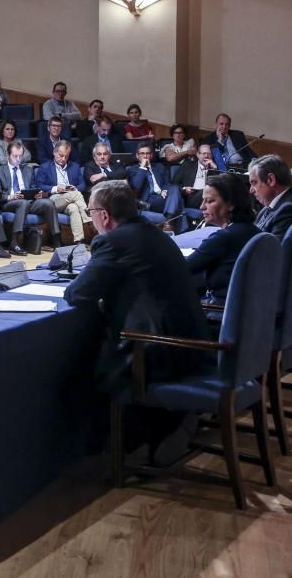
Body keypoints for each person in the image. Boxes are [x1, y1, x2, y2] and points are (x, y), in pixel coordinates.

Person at [63, 180, 208, 464]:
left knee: (81, 368)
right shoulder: (155, 234)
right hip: (191, 343)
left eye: (90, 211)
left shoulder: (112, 240)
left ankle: (113, 448)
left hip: (157, 350)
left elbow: (78, 293)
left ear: (103, 215)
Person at [186, 173, 260, 304]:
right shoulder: (255, 231)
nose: (201, 206)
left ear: (231, 204)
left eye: (209, 201)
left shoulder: (223, 238)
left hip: (219, 314)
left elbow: (181, 268)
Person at [0, 140, 60, 254]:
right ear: (8, 155)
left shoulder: (28, 170)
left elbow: (33, 187)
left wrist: (37, 194)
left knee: (48, 203)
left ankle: (57, 240)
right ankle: (14, 242)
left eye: (20, 156)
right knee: (23, 203)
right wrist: (11, 196)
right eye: (15, 156)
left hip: (29, 201)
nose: (18, 159)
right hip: (9, 203)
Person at [37, 140, 91, 244]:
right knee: (76, 195)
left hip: (71, 198)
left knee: (74, 208)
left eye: (66, 156)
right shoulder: (45, 167)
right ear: (54, 152)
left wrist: (74, 187)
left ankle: (79, 241)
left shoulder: (74, 167)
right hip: (53, 200)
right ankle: (89, 220)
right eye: (60, 155)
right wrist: (56, 188)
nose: (63, 159)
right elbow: (39, 185)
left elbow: (83, 185)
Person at [249, 154, 292, 239]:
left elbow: (272, 250)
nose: (251, 190)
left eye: (254, 183)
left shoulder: (290, 210)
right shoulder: (267, 209)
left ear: (270, 180)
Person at [127, 141, 184, 231]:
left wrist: (165, 190)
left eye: (148, 153)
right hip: (149, 200)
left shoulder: (159, 167)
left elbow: (167, 183)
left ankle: (168, 223)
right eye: (142, 153)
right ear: (138, 156)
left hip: (163, 197)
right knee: (179, 203)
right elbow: (136, 186)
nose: (145, 156)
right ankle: (171, 222)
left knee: (174, 188)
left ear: (151, 155)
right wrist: (142, 168)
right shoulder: (132, 170)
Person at [173, 144, 218, 210]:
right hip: (191, 197)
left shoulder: (215, 168)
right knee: (206, 191)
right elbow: (174, 184)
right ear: (198, 155)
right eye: (204, 153)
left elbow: (220, 185)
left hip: (210, 197)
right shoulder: (187, 165)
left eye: (209, 153)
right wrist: (185, 189)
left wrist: (215, 169)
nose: (206, 156)